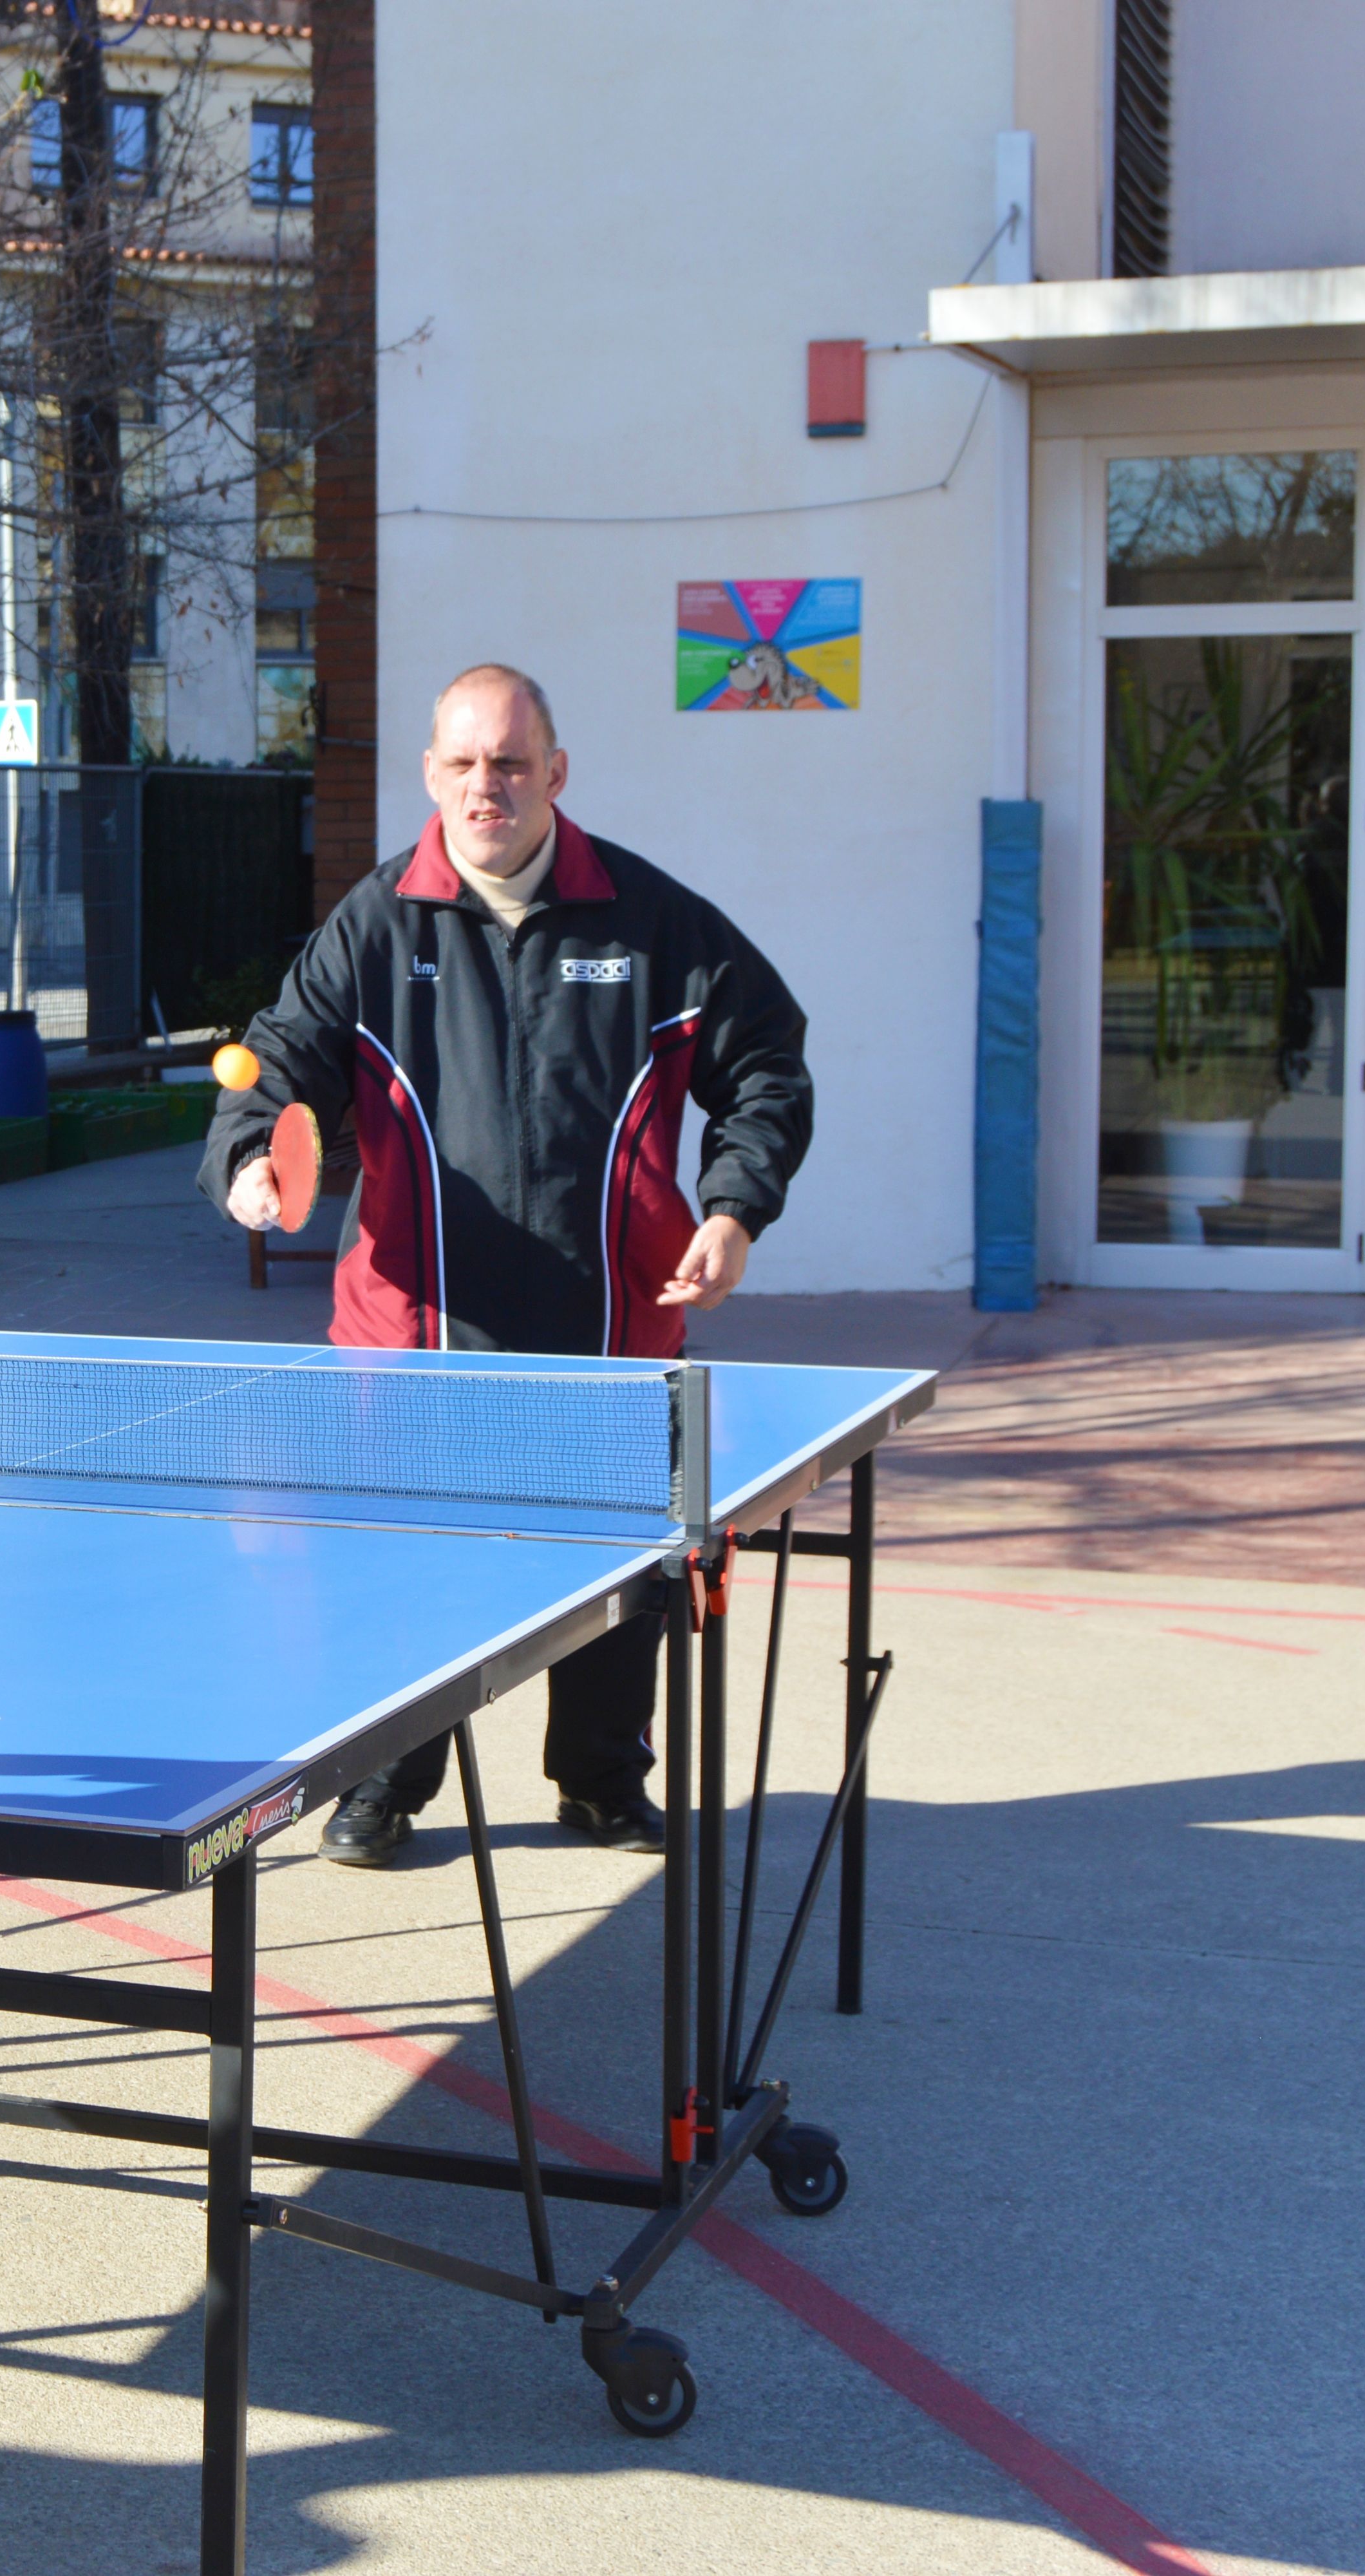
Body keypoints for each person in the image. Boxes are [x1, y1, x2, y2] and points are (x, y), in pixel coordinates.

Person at [200, 663, 810, 1866]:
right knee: (400, 1586)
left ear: (555, 773)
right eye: (467, 762)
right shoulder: (371, 929)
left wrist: (734, 1207)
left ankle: (597, 1780)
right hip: (413, 1341)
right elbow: (275, 1070)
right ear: (432, 774)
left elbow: (768, 1067)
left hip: (612, 1335)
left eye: (513, 761)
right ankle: (384, 1783)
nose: (490, 784)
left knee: (621, 1595)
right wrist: (246, 1164)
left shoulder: (656, 922)